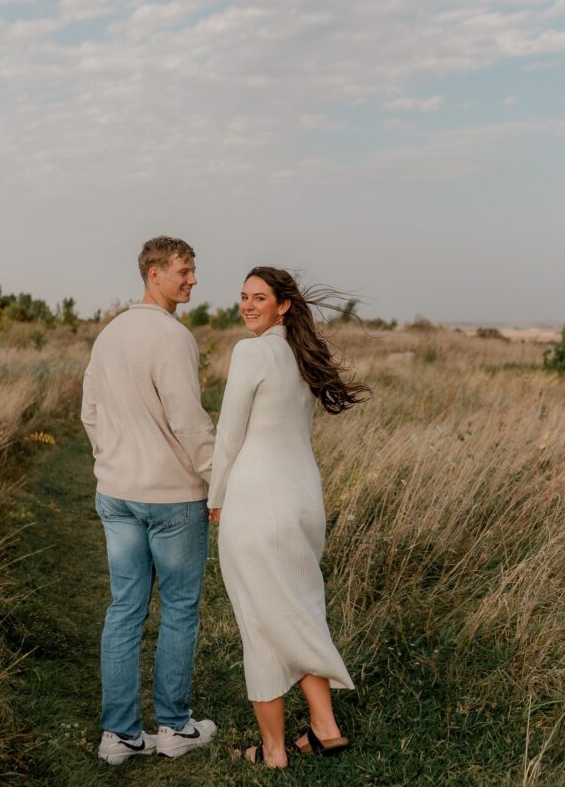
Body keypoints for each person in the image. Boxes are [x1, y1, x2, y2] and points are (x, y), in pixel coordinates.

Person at [208, 266, 369, 768]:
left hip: (257, 502)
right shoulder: (303, 354)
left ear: (283, 305)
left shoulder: (251, 352)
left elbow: (229, 435)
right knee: (297, 610)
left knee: (260, 620)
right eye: (243, 296)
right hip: (303, 500)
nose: (247, 305)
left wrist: (215, 496)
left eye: (259, 297)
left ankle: (274, 750)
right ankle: (324, 726)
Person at [80, 236, 219, 764]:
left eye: (193, 269)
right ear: (154, 274)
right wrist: (216, 479)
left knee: (125, 607)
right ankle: (174, 727)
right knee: (179, 608)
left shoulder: (109, 334)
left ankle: (119, 736)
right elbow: (188, 419)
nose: (193, 279)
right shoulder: (173, 337)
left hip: (117, 493)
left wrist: (109, 458)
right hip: (172, 498)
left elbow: (90, 412)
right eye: (184, 270)